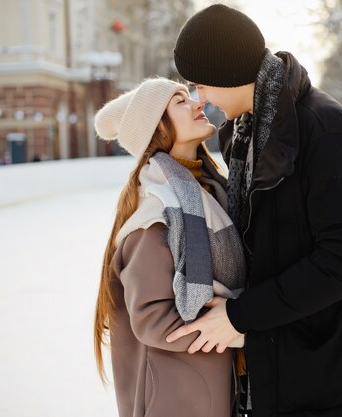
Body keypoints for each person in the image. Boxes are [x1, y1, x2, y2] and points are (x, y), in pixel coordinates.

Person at [166, 4, 342, 417]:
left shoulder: (327, 131)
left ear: (226, 71)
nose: (201, 98)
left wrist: (242, 316)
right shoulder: (242, 135)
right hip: (283, 377)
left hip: (341, 384)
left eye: (201, 84)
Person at [92, 77, 247, 417]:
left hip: (213, 392)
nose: (197, 103)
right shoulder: (156, 214)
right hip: (177, 400)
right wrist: (237, 328)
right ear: (156, 127)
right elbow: (154, 320)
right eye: (180, 101)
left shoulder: (211, 192)